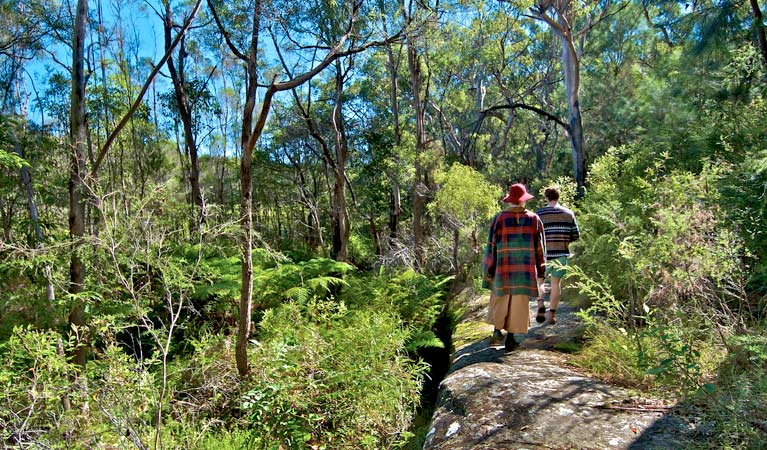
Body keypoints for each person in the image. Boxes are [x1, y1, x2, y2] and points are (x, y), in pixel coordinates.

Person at [483, 183, 546, 351]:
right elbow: (540, 248)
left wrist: (488, 270)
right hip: (524, 271)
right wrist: (541, 271)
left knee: (500, 298)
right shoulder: (533, 219)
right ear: (523, 201)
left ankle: (497, 331)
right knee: (519, 303)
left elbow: (491, 246)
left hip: (502, 268)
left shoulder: (499, 218)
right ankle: (511, 338)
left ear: (509, 201)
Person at [535, 187, 581, 325]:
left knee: (540, 281)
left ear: (546, 198)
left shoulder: (539, 214)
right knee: (556, 284)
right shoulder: (568, 213)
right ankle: (552, 314)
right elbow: (576, 235)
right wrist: (563, 240)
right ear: (558, 197)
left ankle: (540, 304)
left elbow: (534, 235)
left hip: (543, 255)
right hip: (561, 254)